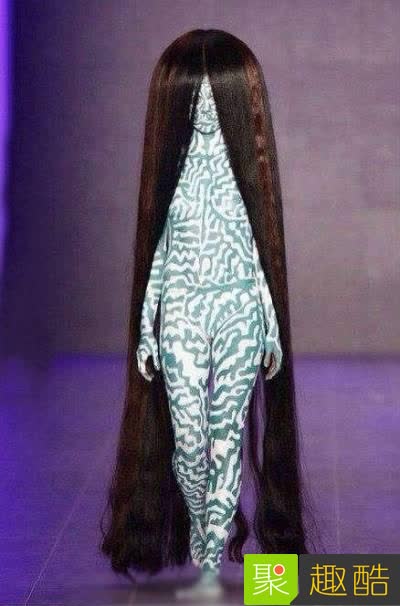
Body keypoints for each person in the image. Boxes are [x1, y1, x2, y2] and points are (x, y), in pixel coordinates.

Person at [101, 28, 311, 601]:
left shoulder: (243, 177)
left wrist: (270, 323)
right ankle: (203, 533)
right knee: (190, 442)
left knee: (225, 439)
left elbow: (255, 252)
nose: (206, 111)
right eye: (195, 99)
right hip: (183, 309)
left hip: (238, 307)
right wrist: (147, 325)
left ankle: (211, 554)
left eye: (216, 100)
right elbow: (161, 253)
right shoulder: (173, 177)